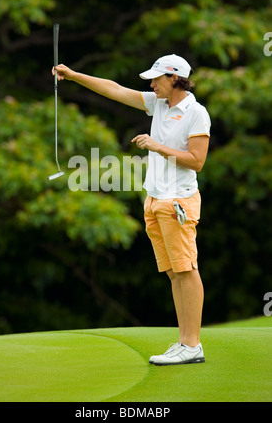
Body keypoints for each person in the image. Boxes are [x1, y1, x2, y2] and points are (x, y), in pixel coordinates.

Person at [52, 53, 211, 365]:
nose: (152, 85)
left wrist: (157, 146)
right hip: (155, 199)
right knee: (172, 272)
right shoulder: (158, 103)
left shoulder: (196, 113)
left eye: (156, 79)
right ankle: (185, 342)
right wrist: (73, 75)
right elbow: (115, 90)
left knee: (186, 269)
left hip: (178, 200)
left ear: (175, 78)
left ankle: (192, 345)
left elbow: (197, 161)